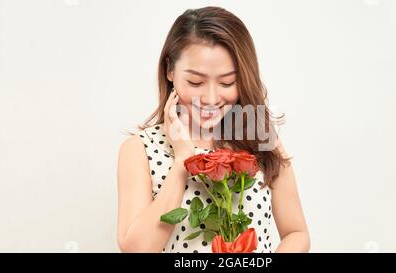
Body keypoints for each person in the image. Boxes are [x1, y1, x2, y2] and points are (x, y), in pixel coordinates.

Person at [117, 6, 310, 253]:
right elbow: (136, 250)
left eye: (227, 82)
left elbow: (297, 233)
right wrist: (181, 162)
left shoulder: (259, 137)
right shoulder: (140, 149)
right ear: (170, 70)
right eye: (195, 82)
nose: (210, 98)